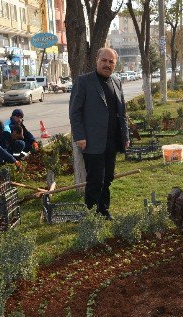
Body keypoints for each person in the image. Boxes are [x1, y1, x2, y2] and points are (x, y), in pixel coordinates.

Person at [69, 47, 130, 220]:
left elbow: (122, 112)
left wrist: (125, 136)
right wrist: (79, 136)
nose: (107, 64)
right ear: (97, 60)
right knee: (96, 179)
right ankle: (91, 213)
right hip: (92, 141)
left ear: (115, 64)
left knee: (108, 177)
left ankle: (103, 209)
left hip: (112, 140)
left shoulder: (116, 82)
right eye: (104, 60)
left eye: (111, 62)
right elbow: (75, 112)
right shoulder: (84, 81)